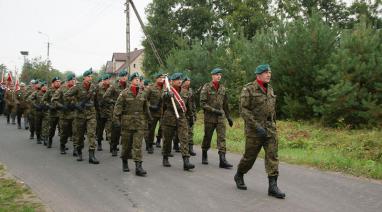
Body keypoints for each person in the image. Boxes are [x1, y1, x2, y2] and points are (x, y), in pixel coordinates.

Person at [234, 64, 285, 199]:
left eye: (269, 72)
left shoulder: (270, 88)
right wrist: (257, 126)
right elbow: (243, 110)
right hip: (254, 130)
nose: (269, 74)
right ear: (258, 75)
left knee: (272, 156)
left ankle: (273, 187)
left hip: (270, 129)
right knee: (249, 157)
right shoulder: (249, 89)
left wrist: (273, 123)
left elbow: (272, 108)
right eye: (265, 72)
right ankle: (239, 174)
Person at [113, 72, 152, 176]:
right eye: (135, 79)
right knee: (126, 146)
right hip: (127, 124)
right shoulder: (124, 93)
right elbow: (117, 108)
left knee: (138, 145)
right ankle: (124, 161)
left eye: (139, 79)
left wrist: (149, 119)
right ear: (131, 81)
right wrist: (116, 120)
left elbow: (146, 108)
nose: (138, 80)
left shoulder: (143, 93)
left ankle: (138, 166)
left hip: (139, 123)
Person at [200, 68, 233, 169]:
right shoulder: (206, 87)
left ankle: (222, 160)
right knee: (207, 137)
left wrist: (229, 117)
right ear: (212, 76)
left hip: (220, 118)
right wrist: (213, 110)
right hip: (210, 118)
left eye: (220, 75)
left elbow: (226, 104)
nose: (219, 76)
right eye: (217, 74)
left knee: (222, 138)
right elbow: (202, 103)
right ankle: (204, 153)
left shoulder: (223, 88)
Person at [161, 72, 195, 171]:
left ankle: (186, 161)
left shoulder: (185, 92)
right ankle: (165, 157)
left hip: (181, 117)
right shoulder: (167, 90)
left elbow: (188, 106)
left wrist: (191, 116)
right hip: (170, 116)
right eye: (177, 79)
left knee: (184, 138)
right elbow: (162, 98)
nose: (180, 81)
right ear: (172, 81)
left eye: (180, 79)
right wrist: (167, 95)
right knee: (167, 139)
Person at [64, 69, 99, 164]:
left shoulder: (94, 87)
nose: (90, 78)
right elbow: (66, 95)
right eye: (88, 76)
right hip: (80, 115)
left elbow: (96, 100)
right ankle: (79, 152)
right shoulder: (77, 87)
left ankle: (92, 156)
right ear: (84, 77)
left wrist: (97, 111)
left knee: (91, 134)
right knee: (79, 136)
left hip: (91, 114)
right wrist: (75, 104)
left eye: (91, 76)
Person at [103, 70, 128, 156]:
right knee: (116, 130)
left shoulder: (128, 86)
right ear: (120, 77)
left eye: (126, 76)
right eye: (123, 76)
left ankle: (126, 149)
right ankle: (113, 147)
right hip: (115, 112)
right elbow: (105, 96)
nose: (125, 77)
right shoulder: (114, 86)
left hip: (126, 112)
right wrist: (113, 101)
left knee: (125, 131)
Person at [52, 74, 76, 155]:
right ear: (68, 81)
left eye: (74, 80)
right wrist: (61, 106)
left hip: (74, 114)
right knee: (64, 133)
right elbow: (54, 100)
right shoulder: (61, 89)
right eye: (72, 80)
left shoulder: (76, 89)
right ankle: (62, 145)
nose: (74, 81)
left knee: (76, 132)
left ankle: (76, 148)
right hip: (64, 115)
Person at [144, 71, 164, 154]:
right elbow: (145, 100)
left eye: (163, 78)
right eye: (160, 78)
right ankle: (149, 145)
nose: (162, 79)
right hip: (153, 112)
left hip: (163, 112)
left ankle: (161, 143)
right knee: (151, 130)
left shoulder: (166, 88)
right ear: (156, 79)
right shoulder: (151, 88)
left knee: (163, 129)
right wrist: (151, 106)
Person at [96, 73, 112, 151]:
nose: (109, 81)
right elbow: (94, 99)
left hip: (109, 111)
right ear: (103, 80)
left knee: (110, 129)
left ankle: (112, 146)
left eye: (109, 79)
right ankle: (99, 143)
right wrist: (97, 109)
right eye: (107, 79)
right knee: (100, 129)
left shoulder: (112, 88)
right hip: (100, 112)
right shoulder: (98, 87)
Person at [43, 77, 61, 148]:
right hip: (52, 113)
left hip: (61, 113)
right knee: (52, 129)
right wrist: (49, 105)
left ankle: (62, 144)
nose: (58, 82)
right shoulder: (49, 91)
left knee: (62, 130)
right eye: (57, 81)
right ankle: (49, 140)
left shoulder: (62, 90)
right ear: (53, 83)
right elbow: (44, 100)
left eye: (59, 81)